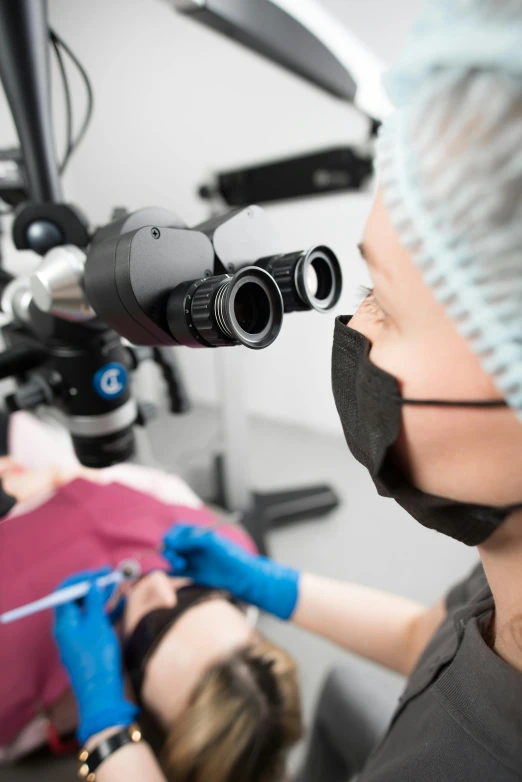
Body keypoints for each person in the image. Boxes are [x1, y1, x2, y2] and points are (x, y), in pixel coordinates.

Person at [50, 0, 522, 779]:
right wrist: (267, 583)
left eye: (388, 304)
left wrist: (108, 729)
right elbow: (424, 640)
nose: (354, 325)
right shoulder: (502, 565)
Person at [0, 414, 302, 781]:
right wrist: (57, 476)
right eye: (193, 595)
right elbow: (134, 480)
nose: (156, 580)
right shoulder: (229, 546)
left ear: (131, 697)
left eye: (154, 629)